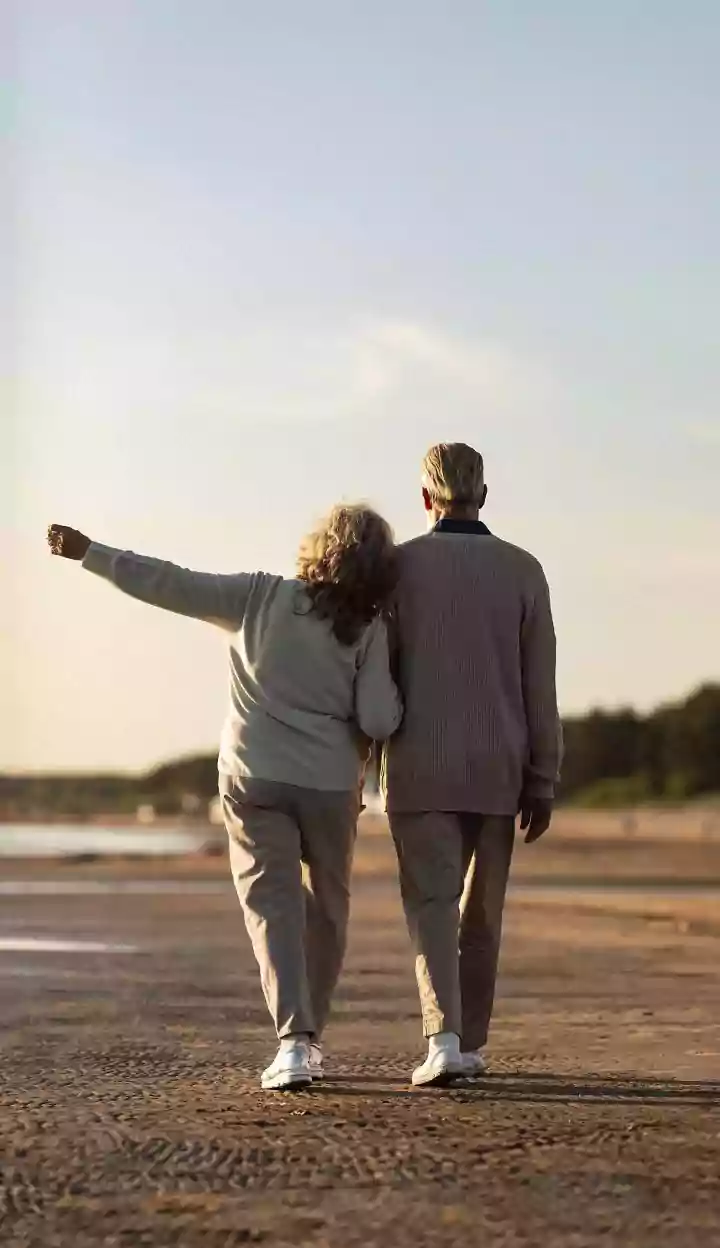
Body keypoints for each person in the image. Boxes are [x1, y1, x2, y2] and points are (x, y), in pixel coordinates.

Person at [47, 507, 403, 1090]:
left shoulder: (258, 596)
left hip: (254, 776)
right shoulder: (367, 625)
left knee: (273, 906)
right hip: (330, 785)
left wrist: (92, 553)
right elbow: (378, 720)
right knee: (327, 909)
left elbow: (170, 583)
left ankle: (293, 1044)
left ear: (318, 547)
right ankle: (310, 1039)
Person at [382, 443, 562, 1087]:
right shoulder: (523, 569)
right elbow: (539, 684)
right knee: (481, 913)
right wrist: (544, 777)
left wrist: (357, 760)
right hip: (499, 766)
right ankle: (469, 1043)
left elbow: (376, 674)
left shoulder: (397, 567)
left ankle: (444, 1041)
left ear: (424, 497)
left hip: (417, 764)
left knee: (432, 904)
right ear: (484, 494)